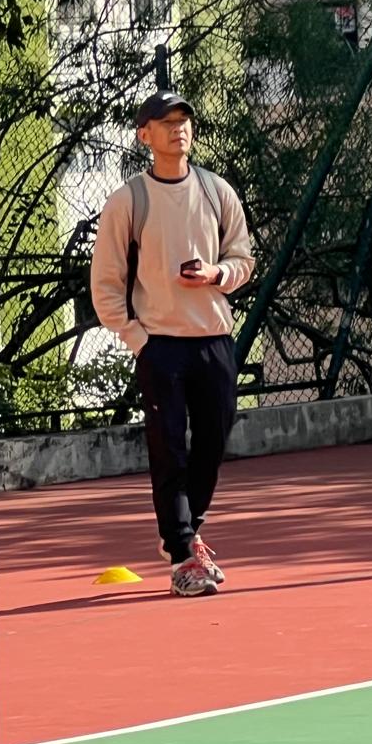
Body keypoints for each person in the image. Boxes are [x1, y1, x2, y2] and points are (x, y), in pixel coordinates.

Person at [90, 91, 256, 598]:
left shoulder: (216, 191)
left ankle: (184, 532)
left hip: (214, 339)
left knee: (213, 441)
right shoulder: (129, 201)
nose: (178, 128)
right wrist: (138, 339)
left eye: (184, 120)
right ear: (145, 135)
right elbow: (106, 283)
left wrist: (217, 274)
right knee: (168, 450)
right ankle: (183, 553)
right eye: (166, 122)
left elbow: (243, 259)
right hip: (160, 345)